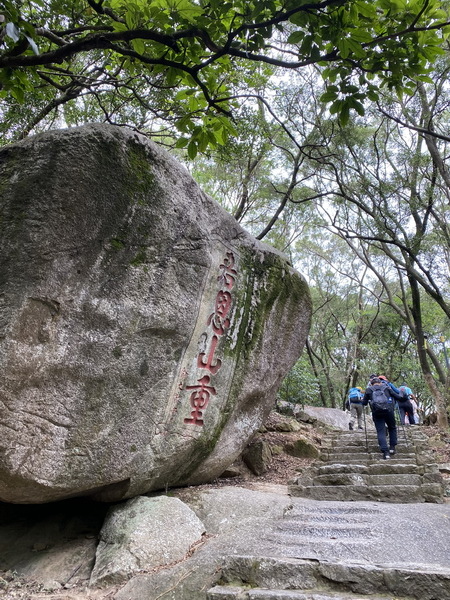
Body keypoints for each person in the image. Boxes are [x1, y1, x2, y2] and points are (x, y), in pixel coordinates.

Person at [363, 377, 402, 459]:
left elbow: (364, 403)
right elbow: (397, 396)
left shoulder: (369, 389)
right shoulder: (386, 387)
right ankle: (392, 447)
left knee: (381, 431)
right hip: (389, 411)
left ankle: (385, 452)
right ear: (380, 383)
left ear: (371, 384)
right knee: (392, 428)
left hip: (376, 412)